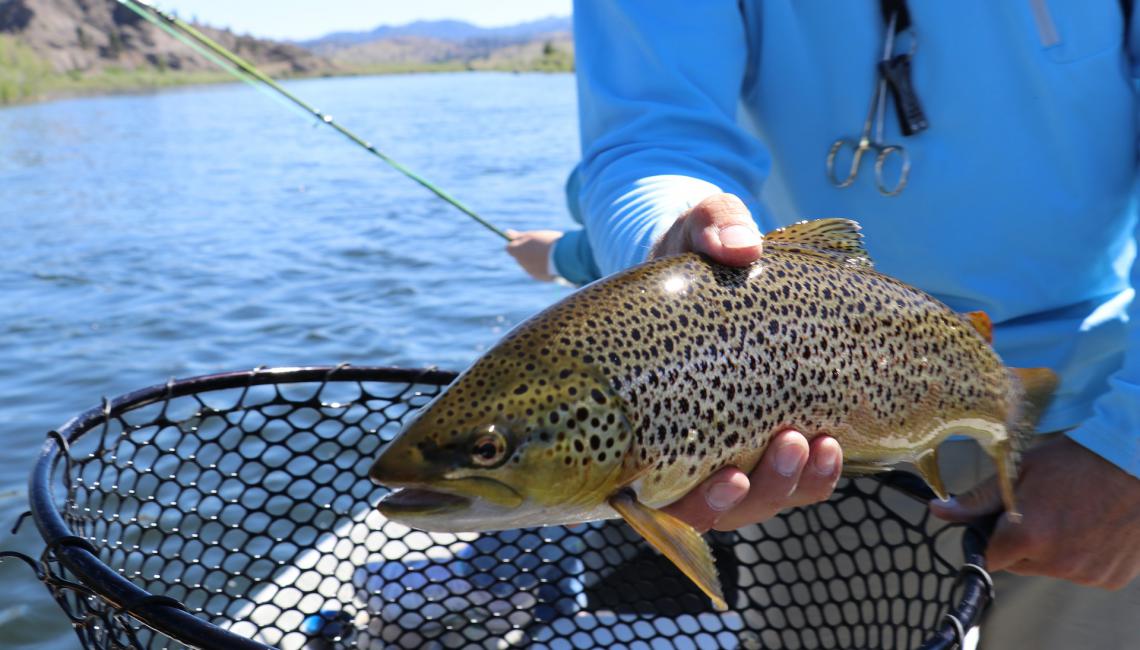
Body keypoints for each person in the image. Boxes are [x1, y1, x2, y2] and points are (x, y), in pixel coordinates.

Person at [507, 2, 1140, 648]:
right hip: (796, 431)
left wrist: (1129, 449)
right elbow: (650, 133)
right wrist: (669, 235)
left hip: (1103, 403)